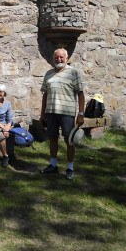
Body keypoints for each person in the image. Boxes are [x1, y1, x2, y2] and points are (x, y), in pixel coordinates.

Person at [39, 48, 85, 180]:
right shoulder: (48, 74)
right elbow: (45, 95)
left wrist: (81, 114)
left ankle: (70, 168)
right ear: (53, 58)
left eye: (61, 57)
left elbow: (81, 94)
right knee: (52, 139)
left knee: (69, 141)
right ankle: (53, 166)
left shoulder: (73, 73)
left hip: (67, 113)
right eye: (56, 57)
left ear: (67, 58)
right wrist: (42, 114)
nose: (58, 59)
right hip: (51, 113)